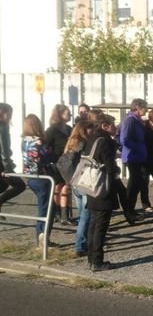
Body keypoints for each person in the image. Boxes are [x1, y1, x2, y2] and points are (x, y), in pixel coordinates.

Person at [85, 113, 120, 271]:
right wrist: (116, 168)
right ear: (105, 126)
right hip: (102, 186)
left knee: (93, 223)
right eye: (112, 124)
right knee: (100, 225)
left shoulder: (92, 138)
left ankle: (91, 258)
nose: (115, 127)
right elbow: (110, 166)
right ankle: (97, 261)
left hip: (90, 184)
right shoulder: (105, 141)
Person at [22, 114, 55, 248]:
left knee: (45, 206)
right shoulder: (39, 141)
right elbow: (47, 157)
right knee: (45, 208)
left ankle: (42, 236)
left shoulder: (24, 140)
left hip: (29, 176)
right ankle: (42, 237)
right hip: (41, 176)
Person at [60, 121, 92, 257]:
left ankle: (84, 241)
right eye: (90, 129)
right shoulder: (82, 143)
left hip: (73, 182)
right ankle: (80, 245)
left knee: (82, 215)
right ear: (84, 130)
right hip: (82, 181)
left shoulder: (71, 142)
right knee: (86, 216)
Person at [44, 104, 74, 226]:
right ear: (60, 115)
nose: (70, 115)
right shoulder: (52, 130)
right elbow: (46, 146)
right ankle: (57, 213)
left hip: (68, 162)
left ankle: (64, 216)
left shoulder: (68, 128)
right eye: (67, 113)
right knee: (58, 187)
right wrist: (51, 159)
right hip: (56, 163)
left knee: (66, 187)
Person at [120, 98, 149, 214]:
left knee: (138, 182)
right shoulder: (130, 120)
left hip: (139, 156)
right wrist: (138, 147)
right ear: (137, 107)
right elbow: (124, 139)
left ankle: (130, 208)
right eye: (145, 107)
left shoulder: (137, 120)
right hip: (133, 157)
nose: (146, 110)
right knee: (134, 183)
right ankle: (129, 209)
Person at [0, 103, 26, 219]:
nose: (10, 116)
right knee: (20, 185)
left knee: (3, 185)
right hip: (2, 165)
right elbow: (4, 150)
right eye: (9, 113)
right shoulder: (2, 126)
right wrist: (8, 169)